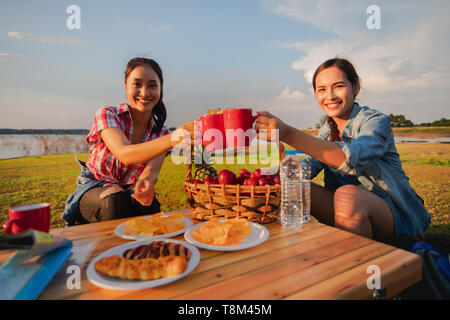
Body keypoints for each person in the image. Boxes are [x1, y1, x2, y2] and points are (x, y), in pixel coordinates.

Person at [254, 57, 430, 243]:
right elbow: (308, 168)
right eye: (321, 89)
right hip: (347, 213)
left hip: (395, 217)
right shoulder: (327, 130)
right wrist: (267, 176)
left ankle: (353, 265)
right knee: (293, 183)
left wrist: (288, 133)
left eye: (338, 86)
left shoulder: (376, 121)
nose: (330, 96)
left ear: (356, 87)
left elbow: (351, 160)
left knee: (347, 195)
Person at [62, 57, 194, 226]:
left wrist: (145, 186)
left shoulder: (161, 133)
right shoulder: (108, 114)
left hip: (129, 190)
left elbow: (150, 173)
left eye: (152, 85)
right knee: (115, 199)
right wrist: (174, 138)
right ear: (125, 87)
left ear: (161, 89)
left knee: (148, 207)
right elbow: (124, 153)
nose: (145, 92)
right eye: (137, 84)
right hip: (94, 187)